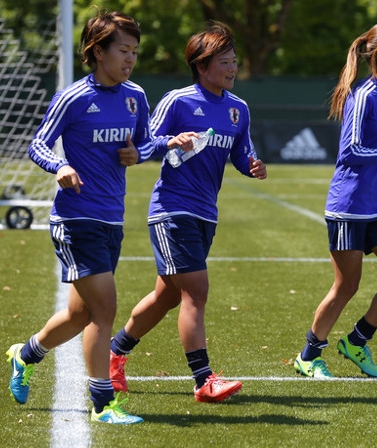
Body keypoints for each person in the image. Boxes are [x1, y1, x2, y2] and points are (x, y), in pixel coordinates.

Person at [6, 9, 162, 424]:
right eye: (123, 50)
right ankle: (103, 403)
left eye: (134, 51)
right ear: (97, 52)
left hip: (112, 219)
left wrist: (139, 153)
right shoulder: (74, 97)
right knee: (104, 310)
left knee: (79, 315)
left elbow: (147, 144)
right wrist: (59, 167)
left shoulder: (136, 96)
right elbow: (38, 143)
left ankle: (24, 355)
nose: (130, 59)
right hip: (75, 220)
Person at [109, 22, 267, 403]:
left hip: (205, 214)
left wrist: (252, 165)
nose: (232, 68)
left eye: (234, 61)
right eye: (225, 62)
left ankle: (113, 353)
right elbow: (145, 145)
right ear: (202, 65)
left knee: (166, 296)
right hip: (171, 210)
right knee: (196, 290)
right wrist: (170, 140)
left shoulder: (238, 109)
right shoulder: (178, 101)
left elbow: (241, 153)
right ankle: (203, 379)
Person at [294, 21, 377, 379]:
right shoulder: (363, 96)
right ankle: (308, 356)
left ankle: (356, 341)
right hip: (348, 207)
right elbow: (349, 152)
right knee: (346, 285)